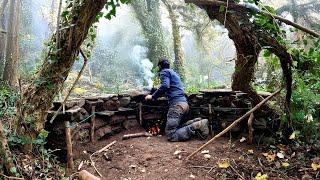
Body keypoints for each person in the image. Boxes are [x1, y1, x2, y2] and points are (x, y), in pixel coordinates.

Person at [145, 58, 209, 141]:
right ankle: (195, 122)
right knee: (177, 127)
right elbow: (171, 87)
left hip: (177, 106)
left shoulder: (164, 72)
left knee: (171, 134)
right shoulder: (174, 73)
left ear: (160, 66)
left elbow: (165, 86)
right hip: (184, 104)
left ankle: (198, 124)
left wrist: (152, 96)